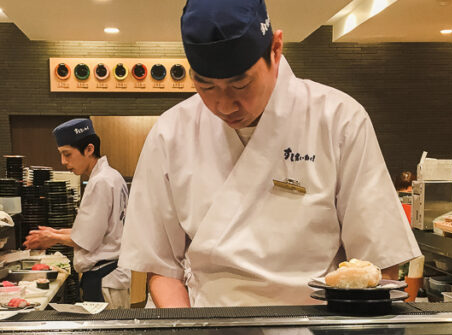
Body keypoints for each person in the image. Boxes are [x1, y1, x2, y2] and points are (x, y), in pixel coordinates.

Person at [118, 0, 421, 307]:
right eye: (205, 85)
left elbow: (376, 261)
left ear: (276, 49)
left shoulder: (339, 119)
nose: (224, 106)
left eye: (240, 84)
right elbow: (160, 265)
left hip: (318, 333)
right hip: (210, 329)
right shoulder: (170, 132)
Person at [24, 118, 130, 307]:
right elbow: (96, 230)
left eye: (67, 154)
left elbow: (87, 239)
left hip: (103, 279)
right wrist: (55, 232)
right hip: (110, 276)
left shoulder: (100, 182)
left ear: (89, 149)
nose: (63, 162)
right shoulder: (112, 176)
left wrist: (53, 237)